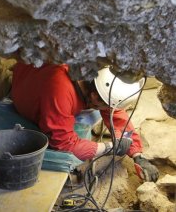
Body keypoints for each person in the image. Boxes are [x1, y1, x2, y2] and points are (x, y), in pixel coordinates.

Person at [11, 62, 159, 182]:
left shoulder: (94, 75)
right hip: (27, 92)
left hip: (38, 76)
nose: (110, 110)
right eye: (107, 106)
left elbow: (117, 117)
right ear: (94, 97)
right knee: (89, 120)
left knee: (98, 113)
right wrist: (110, 147)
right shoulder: (60, 93)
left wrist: (137, 154)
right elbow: (64, 144)